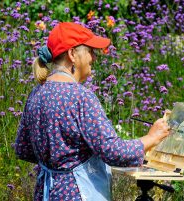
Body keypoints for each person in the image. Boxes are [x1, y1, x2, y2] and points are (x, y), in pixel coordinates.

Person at [14, 22, 170, 201]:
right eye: (90, 51)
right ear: (72, 54)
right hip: (77, 193)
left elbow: (22, 149)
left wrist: (55, 162)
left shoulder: (36, 94)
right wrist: (152, 138)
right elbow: (114, 152)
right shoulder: (81, 97)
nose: (94, 58)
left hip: (45, 192)